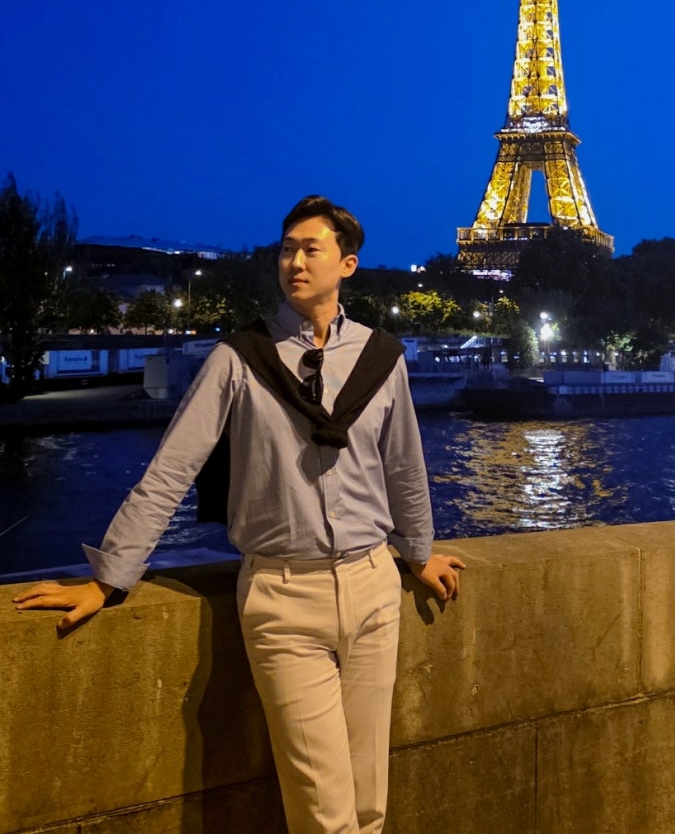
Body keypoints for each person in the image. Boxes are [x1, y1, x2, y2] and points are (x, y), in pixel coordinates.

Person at [14, 194, 463, 834]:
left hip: (372, 586)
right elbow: (171, 470)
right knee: (326, 815)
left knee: (369, 803)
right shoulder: (239, 358)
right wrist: (109, 577)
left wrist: (417, 553)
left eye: (311, 250)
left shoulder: (381, 358)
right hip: (283, 599)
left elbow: (404, 468)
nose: (294, 262)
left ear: (347, 264)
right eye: (287, 250)